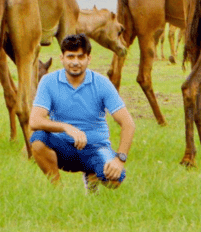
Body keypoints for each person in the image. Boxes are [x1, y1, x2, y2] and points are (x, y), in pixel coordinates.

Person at [29, 33, 135, 190]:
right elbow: (35, 121)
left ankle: (92, 176)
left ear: (88, 59)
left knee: (114, 180)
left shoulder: (102, 83)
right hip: (62, 146)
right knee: (37, 139)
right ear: (62, 58)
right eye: (70, 57)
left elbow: (128, 123)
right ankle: (58, 190)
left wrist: (119, 160)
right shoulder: (48, 82)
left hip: (96, 147)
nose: (75, 62)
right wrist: (66, 127)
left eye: (80, 57)